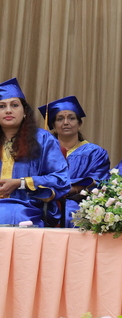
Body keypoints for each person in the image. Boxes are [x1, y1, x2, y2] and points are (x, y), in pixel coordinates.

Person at [0, 78, 70, 226]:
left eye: (14, 105)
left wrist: (21, 183)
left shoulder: (43, 139)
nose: (8, 110)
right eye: (2, 106)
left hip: (25, 206)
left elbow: (61, 179)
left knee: (8, 215)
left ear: (25, 111)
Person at [38, 96, 110, 226]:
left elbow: (99, 182)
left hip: (79, 203)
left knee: (70, 214)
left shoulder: (95, 153)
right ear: (53, 125)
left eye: (71, 118)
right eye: (60, 119)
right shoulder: (41, 152)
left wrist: (68, 190)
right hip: (44, 201)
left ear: (79, 124)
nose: (66, 122)